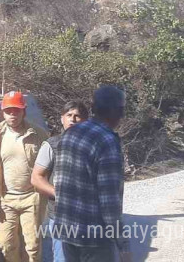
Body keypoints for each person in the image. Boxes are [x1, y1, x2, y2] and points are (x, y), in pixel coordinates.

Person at [52, 86, 131, 262]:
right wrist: (122, 243)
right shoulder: (107, 140)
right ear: (117, 112)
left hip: (66, 232)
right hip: (93, 238)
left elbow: (59, 182)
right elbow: (109, 201)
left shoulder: (69, 134)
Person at [0, 91, 50, 262]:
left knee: (33, 246)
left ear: (23, 111)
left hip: (32, 197)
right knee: (6, 244)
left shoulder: (39, 134)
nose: (12, 115)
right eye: (9, 111)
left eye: (16, 110)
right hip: (5, 199)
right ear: (3, 112)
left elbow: (50, 165)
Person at [31, 101, 90, 262]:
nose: (73, 119)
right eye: (69, 115)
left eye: (77, 116)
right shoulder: (52, 145)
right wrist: (58, 193)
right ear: (62, 119)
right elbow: (36, 177)